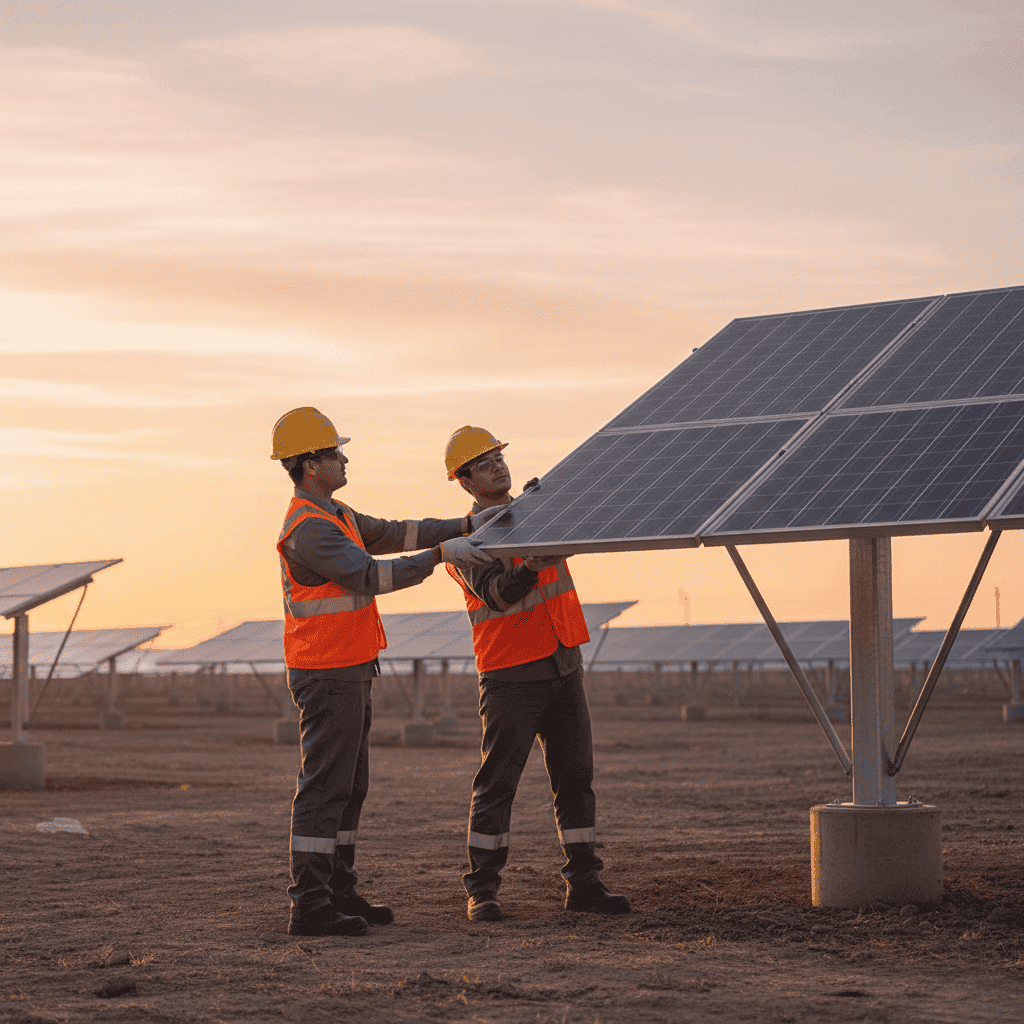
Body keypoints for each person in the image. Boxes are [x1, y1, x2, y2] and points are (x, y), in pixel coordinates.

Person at [271, 407, 501, 937]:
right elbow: (371, 576)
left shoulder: (337, 515)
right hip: (326, 671)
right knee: (326, 786)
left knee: (351, 785)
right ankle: (309, 903)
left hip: (348, 667)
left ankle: (338, 889)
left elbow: (398, 532)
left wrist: (467, 524)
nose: (345, 458)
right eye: (335, 453)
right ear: (310, 465)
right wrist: (443, 553)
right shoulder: (308, 529)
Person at [443, 425, 631, 921]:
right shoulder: (466, 542)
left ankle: (584, 883)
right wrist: (531, 563)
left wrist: (552, 506)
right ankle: (481, 890)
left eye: (499, 458)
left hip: (563, 660)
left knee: (576, 779)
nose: (498, 467)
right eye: (484, 464)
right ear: (464, 483)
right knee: (498, 783)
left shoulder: (538, 513)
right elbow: (498, 595)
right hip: (510, 674)